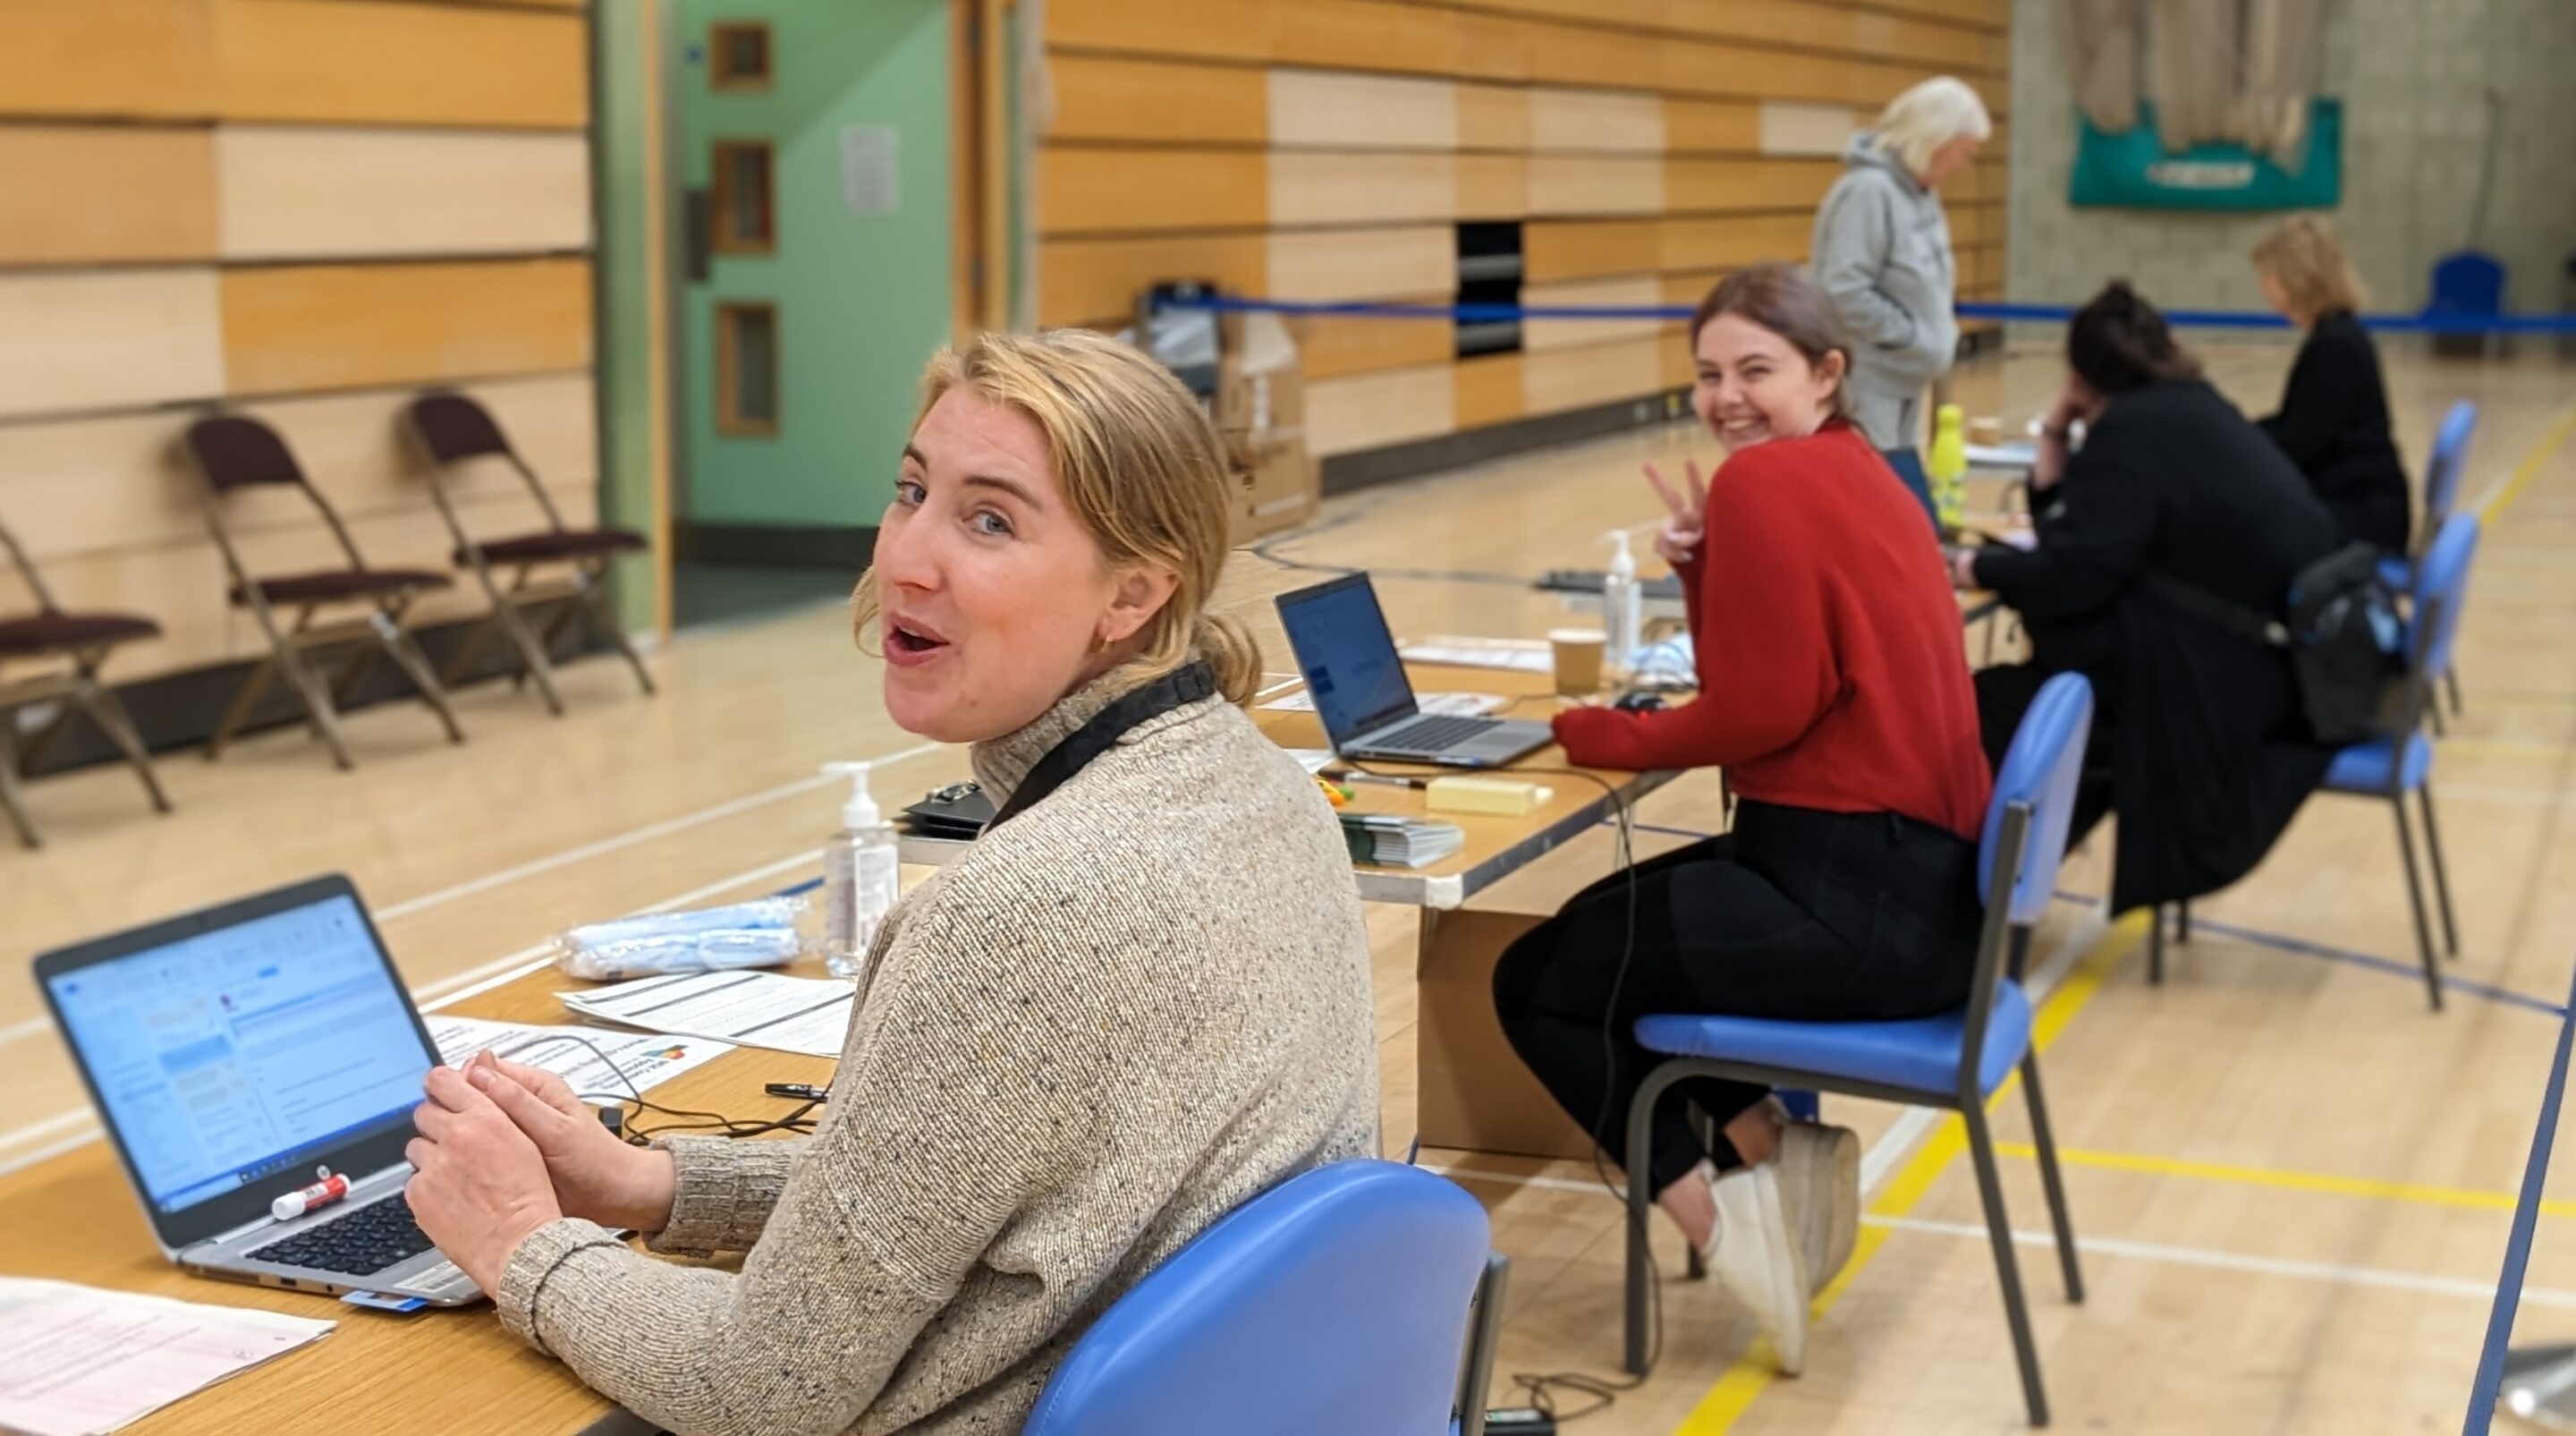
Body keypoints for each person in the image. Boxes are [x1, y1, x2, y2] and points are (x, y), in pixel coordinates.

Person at [402, 329, 1381, 1436]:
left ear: (1134, 595)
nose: (907, 558)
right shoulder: (1264, 785)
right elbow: (953, 1210)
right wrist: (650, 1187)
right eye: (912, 490)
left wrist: (522, 1247)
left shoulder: (1018, 916)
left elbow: (763, 1389)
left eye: (990, 520)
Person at [1490, 264, 1993, 1375]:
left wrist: (1596, 734)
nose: (1727, 397)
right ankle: (1776, 1148)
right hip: (1922, 901)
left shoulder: (1770, 486)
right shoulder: (1861, 472)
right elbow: (1785, 681)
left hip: (1846, 905)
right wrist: (1709, 570)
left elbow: (1759, 713)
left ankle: (1735, 1229)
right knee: (1596, 945)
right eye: (1709, 374)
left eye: (1755, 370)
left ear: (1827, 372)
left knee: (1535, 985)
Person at [1957, 281, 2340, 915]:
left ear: (2082, 374)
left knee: (2005, 707)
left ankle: (1977, 890)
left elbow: (2072, 573)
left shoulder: (2135, 431)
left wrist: (1973, 565)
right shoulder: (2187, 406)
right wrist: (2055, 435)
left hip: (2223, 686)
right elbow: (2074, 542)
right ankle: (2012, 877)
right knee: (2062, 682)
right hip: (2270, 665)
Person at [1811, 76, 1991, 462]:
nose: (1964, 164)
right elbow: (1844, 290)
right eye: (1964, 151)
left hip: (1907, 380)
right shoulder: (1868, 192)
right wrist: (1912, 338)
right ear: (1935, 139)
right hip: (1869, 381)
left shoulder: (1922, 193)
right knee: (1867, 498)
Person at [2251, 215, 2412, 554]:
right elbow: (2297, 425)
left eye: (2267, 276)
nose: (2263, 287)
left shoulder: (2336, 346)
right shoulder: (2338, 335)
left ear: (2296, 277)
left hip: (2365, 516)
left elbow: (2298, 443)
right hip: (2361, 502)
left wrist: (2234, 448)